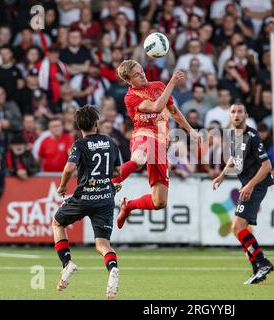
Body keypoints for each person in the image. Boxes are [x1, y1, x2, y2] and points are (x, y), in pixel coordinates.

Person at [112, 60, 200, 229]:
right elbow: (157, 107)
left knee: (159, 202)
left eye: (142, 71)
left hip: (161, 143)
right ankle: (111, 182)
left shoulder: (159, 86)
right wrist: (173, 82)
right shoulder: (131, 97)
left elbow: (173, 111)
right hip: (143, 134)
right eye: (137, 75)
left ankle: (128, 206)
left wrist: (190, 130)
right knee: (139, 159)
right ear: (129, 81)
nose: (142, 75)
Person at [52, 105, 121, 299]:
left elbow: (69, 168)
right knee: (102, 244)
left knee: (58, 222)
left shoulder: (79, 144)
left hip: (84, 197)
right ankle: (113, 268)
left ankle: (67, 263)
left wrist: (62, 186)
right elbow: (117, 172)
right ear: (97, 124)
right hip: (105, 198)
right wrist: (110, 183)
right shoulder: (109, 142)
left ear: (79, 126)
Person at [212, 103, 274, 285]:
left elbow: (267, 166)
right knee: (238, 228)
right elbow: (234, 157)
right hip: (248, 184)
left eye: (240, 111)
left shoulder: (253, 137)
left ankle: (262, 263)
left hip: (256, 184)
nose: (236, 114)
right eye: (233, 112)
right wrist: (222, 175)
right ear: (230, 116)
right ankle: (257, 268)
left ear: (246, 115)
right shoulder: (233, 135)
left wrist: (249, 186)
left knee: (237, 227)